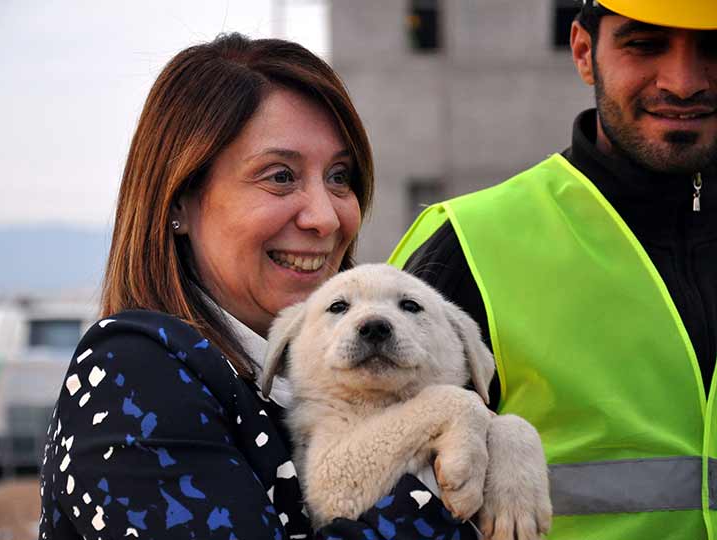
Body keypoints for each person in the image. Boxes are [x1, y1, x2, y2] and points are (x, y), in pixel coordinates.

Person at [38, 34, 480, 540]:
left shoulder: (313, 376)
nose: (325, 216)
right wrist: (449, 490)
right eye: (280, 176)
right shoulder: (132, 374)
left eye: (340, 177)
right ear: (179, 200)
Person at [390, 1, 716, 539]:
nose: (683, 82)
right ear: (585, 52)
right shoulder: (470, 243)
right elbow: (366, 490)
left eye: (712, 46)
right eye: (644, 44)